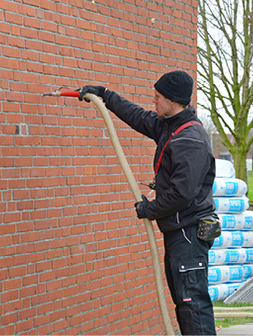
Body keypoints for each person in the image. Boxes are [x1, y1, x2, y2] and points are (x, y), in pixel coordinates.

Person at [77, 70, 217, 335]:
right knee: (184, 303)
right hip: (178, 232)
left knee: (192, 305)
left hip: (188, 234)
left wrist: (148, 209)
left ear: (173, 100)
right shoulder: (170, 125)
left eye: (158, 97)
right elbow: (138, 117)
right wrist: (105, 95)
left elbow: (182, 194)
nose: (154, 101)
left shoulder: (190, 140)